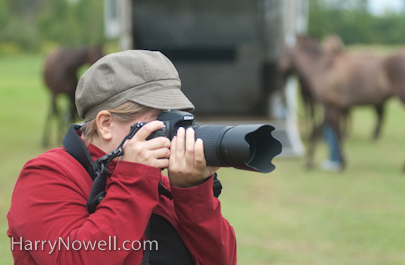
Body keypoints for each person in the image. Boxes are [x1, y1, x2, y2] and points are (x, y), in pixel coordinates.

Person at [7, 50, 237, 264]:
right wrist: (134, 179)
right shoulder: (45, 177)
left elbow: (220, 260)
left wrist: (193, 192)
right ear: (106, 124)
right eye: (159, 120)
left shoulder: (156, 182)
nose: (173, 131)